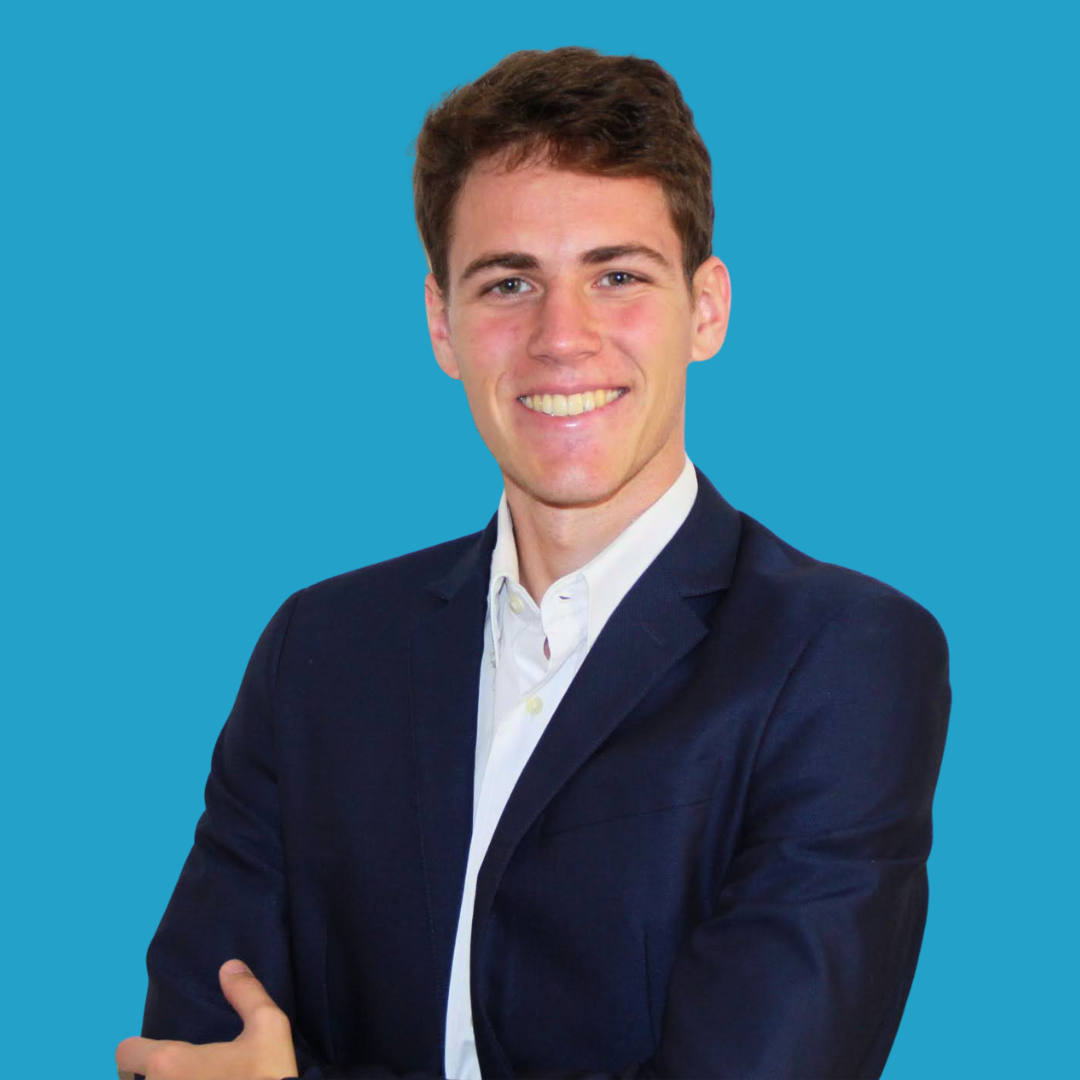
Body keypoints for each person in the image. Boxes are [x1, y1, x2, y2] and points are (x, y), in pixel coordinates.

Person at [116, 47, 950, 1080]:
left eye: (617, 276)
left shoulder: (839, 657)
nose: (564, 338)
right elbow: (189, 1051)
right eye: (510, 282)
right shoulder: (318, 653)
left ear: (707, 308)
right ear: (442, 326)